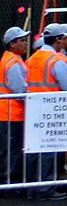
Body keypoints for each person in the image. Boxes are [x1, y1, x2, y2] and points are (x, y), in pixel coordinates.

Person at [26, 23, 67, 201]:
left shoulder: (32, 59)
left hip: (33, 110)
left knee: (34, 150)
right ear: (59, 39)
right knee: (49, 150)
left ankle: (32, 187)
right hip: (52, 111)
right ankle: (46, 187)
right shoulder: (56, 61)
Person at [1, 27, 28, 191]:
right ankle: (11, 185)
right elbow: (19, 91)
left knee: (9, 151)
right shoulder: (13, 63)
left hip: (8, 113)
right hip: (11, 113)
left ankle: (9, 183)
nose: (25, 43)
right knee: (12, 151)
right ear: (12, 44)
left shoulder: (10, 59)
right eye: (22, 41)